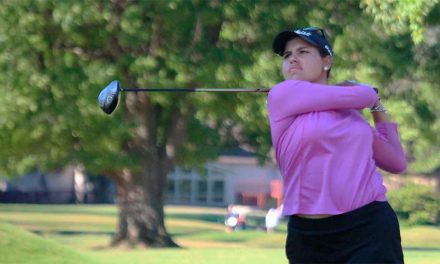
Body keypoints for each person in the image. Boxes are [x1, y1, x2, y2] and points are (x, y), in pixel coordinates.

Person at [267, 26, 407, 263]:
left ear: (326, 61)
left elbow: (396, 161)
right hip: (309, 236)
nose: (292, 59)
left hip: (369, 226)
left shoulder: (352, 118)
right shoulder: (283, 95)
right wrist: (362, 91)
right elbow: (364, 96)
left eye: (302, 52)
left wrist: (378, 108)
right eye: (287, 55)